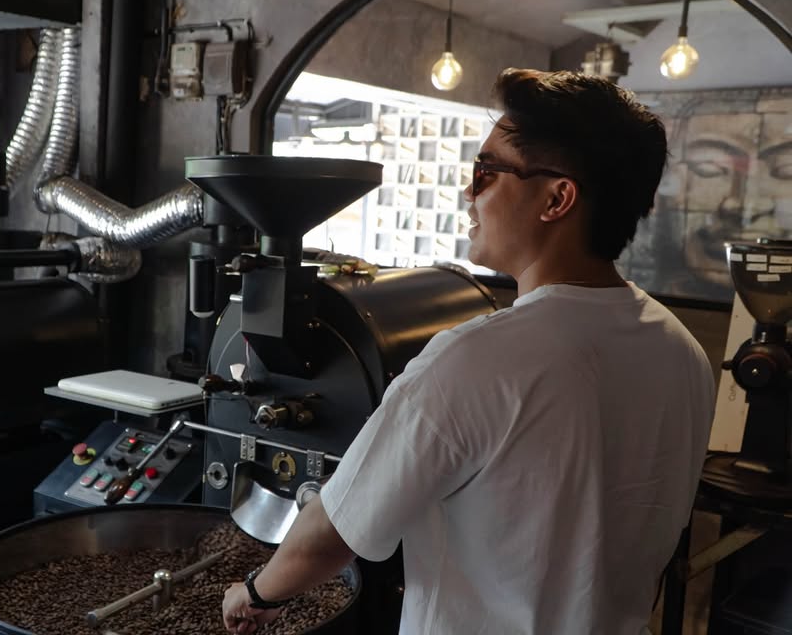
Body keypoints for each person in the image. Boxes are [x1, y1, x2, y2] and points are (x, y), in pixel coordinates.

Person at [221, 69, 716, 634]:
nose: (468, 193)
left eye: (486, 172)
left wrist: (255, 593)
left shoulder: (476, 359)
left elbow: (332, 532)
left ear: (557, 198)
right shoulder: (683, 351)